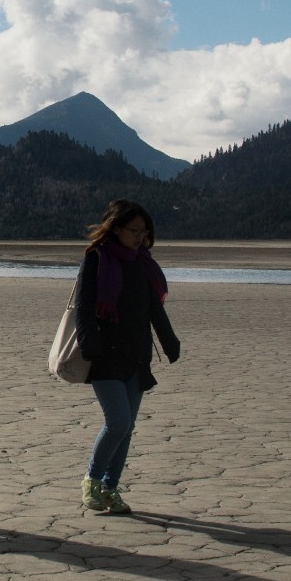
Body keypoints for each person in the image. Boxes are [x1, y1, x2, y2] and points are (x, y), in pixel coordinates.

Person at [73, 199, 179, 515]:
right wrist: (89, 342)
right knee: (118, 422)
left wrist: (169, 341)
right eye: (134, 230)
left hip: (137, 355)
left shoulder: (141, 263)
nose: (140, 236)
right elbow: (83, 306)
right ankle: (92, 481)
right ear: (116, 228)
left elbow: (153, 308)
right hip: (105, 355)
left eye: (144, 231)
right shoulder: (97, 259)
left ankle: (111, 488)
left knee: (128, 426)